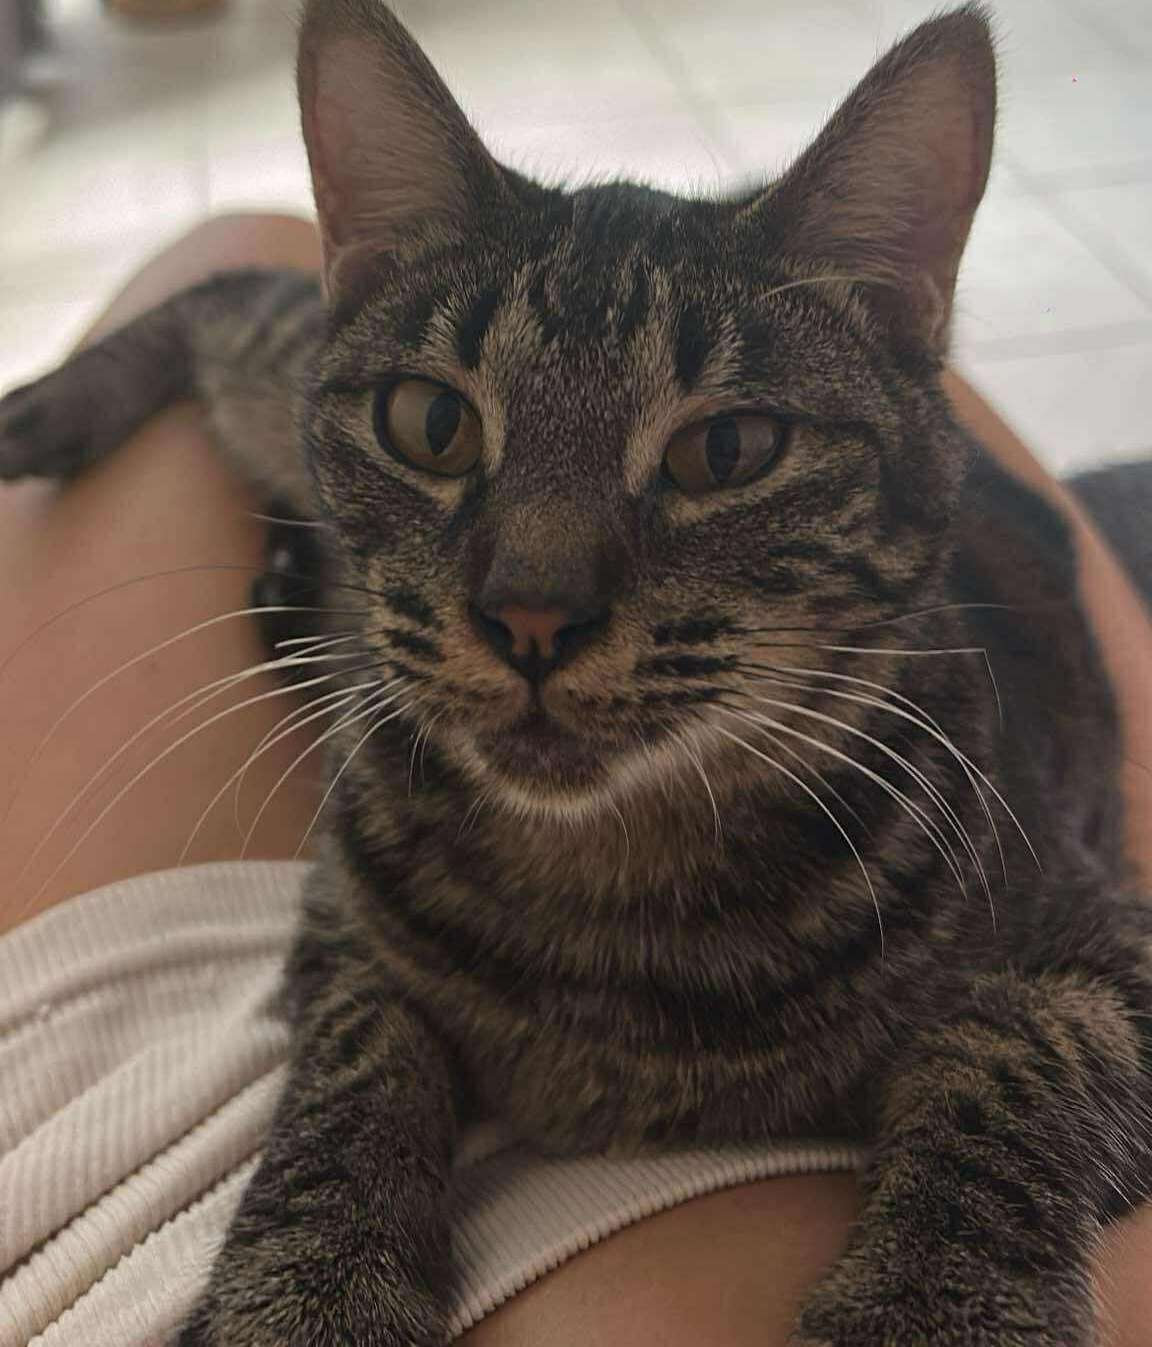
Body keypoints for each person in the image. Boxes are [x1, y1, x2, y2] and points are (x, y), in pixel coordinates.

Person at [3, 213, 1151, 1346]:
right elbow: (359, 947)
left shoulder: (940, 817)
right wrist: (335, 1215)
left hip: (968, 589)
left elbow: (1111, 990)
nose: (534, 602)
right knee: (256, 283)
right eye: (437, 426)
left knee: (240, 241)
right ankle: (226, 326)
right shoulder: (403, 763)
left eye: (722, 451)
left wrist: (967, 1238)